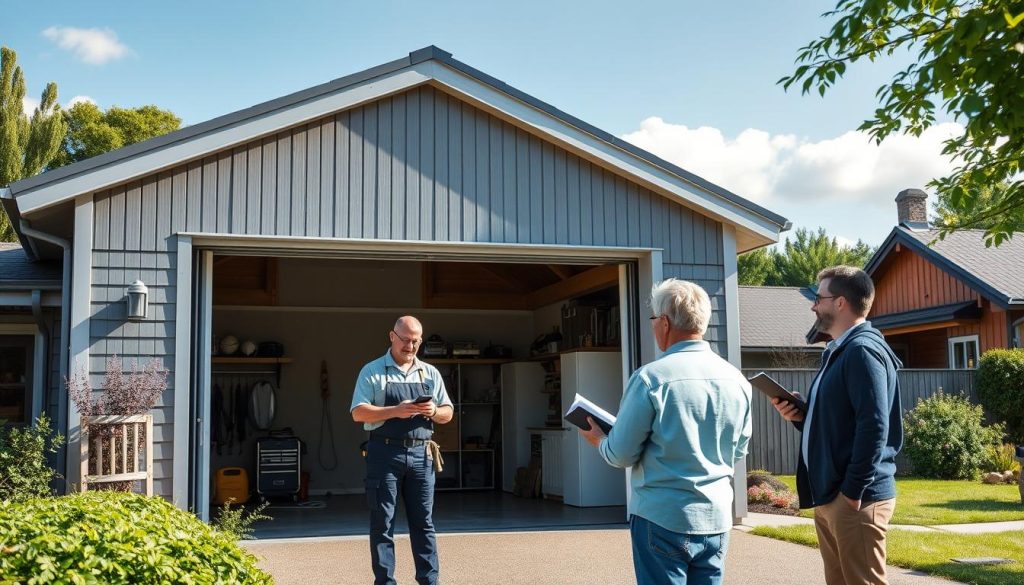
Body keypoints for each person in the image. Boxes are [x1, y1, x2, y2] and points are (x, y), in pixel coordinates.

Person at [579, 279, 752, 585]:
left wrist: (599, 441)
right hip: (716, 517)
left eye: (653, 320)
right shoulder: (736, 380)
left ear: (664, 323)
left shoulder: (651, 378)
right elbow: (737, 451)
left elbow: (621, 454)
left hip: (662, 517)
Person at [771, 266, 903, 585]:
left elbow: (874, 426)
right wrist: (802, 417)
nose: (813, 305)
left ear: (841, 303)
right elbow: (843, 424)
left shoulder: (862, 351)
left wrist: (853, 492)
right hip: (837, 496)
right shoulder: (838, 351)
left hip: (857, 498)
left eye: (819, 298)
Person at [351, 316, 454, 585]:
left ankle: (429, 581)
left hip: (422, 455)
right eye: (405, 340)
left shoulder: (430, 373)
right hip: (384, 454)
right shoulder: (372, 371)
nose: (410, 346)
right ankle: (385, 582)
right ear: (392, 336)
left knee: (424, 524)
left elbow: (448, 412)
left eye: (416, 341)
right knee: (382, 524)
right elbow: (358, 412)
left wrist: (434, 411)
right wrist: (395, 411)